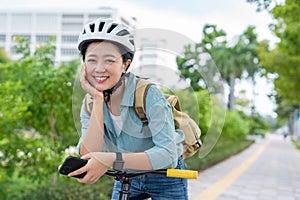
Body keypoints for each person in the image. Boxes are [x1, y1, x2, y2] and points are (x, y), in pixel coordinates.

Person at [68, 18, 188, 200]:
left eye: (109, 60)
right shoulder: (90, 103)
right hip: (126, 173)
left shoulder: (148, 94)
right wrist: (99, 100)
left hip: (165, 175)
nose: (99, 69)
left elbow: (169, 154)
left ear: (125, 64)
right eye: (92, 60)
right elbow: (88, 154)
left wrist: (110, 159)